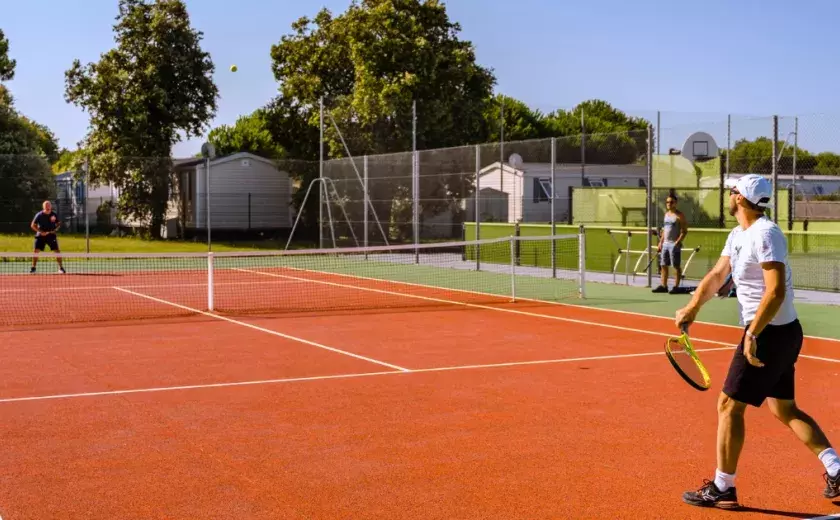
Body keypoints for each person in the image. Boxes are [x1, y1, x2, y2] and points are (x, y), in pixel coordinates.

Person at [675, 174, 839, 509]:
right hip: (776, 332)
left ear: (741, 197)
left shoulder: (766, 234)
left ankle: (723, 487)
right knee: (784, 408)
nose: (728, 194)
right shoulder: (738, 234)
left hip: (769, 333)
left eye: (732, 190)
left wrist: (753, 333)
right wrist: (692, 307)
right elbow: (718, 276)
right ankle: (837, 470)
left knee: (728, 406)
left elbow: (775, 291)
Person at [652, 194, 688, 294]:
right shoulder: (666, 215)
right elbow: (664, 230)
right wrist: (660, 242)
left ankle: (676, 286)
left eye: (671, 202)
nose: (669, 204)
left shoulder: (679, 215)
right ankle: (664, 286)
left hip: (674, 245)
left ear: (675, 203)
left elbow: (684, 231)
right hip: (665, 244)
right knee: (663, 265)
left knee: (676, 266)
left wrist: (677, 242)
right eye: (667, 202)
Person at [30, 200, 66, 274]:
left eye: (49, 205)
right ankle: (33, 268)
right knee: (36, 251)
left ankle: (61, 268)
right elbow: (33, 225)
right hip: (40, 236)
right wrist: (40, 232)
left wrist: (55, 230)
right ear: (43, 207)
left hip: (51, 236)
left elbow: (59, 224)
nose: (47, 207)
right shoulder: (39, 215)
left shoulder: (54, 215)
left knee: (57, 251)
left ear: (51, 206)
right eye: (46, 205)